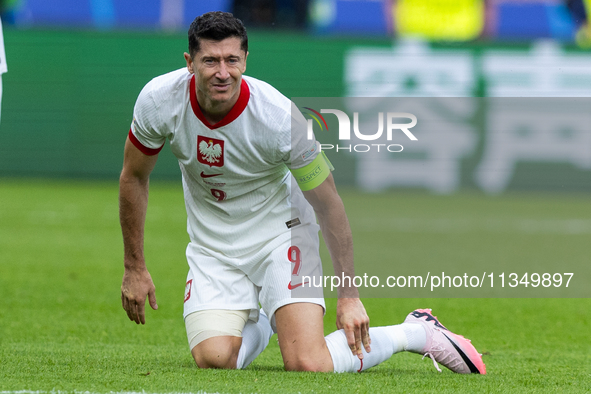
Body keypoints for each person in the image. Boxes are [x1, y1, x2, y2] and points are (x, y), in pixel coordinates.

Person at [119, 11, 486, 374]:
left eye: (232, 60)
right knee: (214, 360)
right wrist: (134, 267)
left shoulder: (279, 118)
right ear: (189, 63)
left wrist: (349, 294)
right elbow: (133, 177)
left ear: (245, 59)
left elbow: (328, 204)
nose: (222, 72)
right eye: (210, 61)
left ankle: (416, 332)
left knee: (308, 363)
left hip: (282, 236)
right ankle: (266, 314)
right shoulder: (158, 100)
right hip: (212, 247)